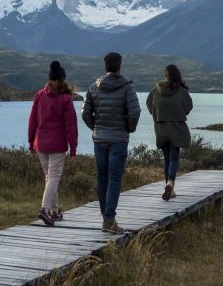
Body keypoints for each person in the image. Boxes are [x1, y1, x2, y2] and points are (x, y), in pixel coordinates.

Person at [81, 52, 140, 233]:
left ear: (105, 66)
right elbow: (135, 112)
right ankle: (109, 219)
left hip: (99, 139)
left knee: (102, 178)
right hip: (118, 140)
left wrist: (95, 128)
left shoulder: (93, 87)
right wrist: (129, 128)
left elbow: (85, 113)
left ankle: (106, 218)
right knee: (114, 178)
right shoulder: (127, 88)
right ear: (119, 66)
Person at [27, 61, 78, 226]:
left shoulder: (39, 95)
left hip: (40, 143)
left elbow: (32, 120)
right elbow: (71, 126)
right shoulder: (65, 99)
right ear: (63, 79)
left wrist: (30, 142)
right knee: (54, 177)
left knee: (50, 177)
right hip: (57, 144)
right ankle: (44, 209)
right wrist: (73, 148)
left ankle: (55, 211)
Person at [146, 64, 193, 200]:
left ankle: (169, 187)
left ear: (166, 75)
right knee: (174, 158)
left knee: (166, 158)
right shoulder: (182, 91)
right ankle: (170, 183)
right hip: (176, 127)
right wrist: (177, 113)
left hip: (160, 128)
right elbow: (188, 107)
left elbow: (149, 105)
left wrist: (158, 115)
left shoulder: (156, 90)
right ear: (177, 75)